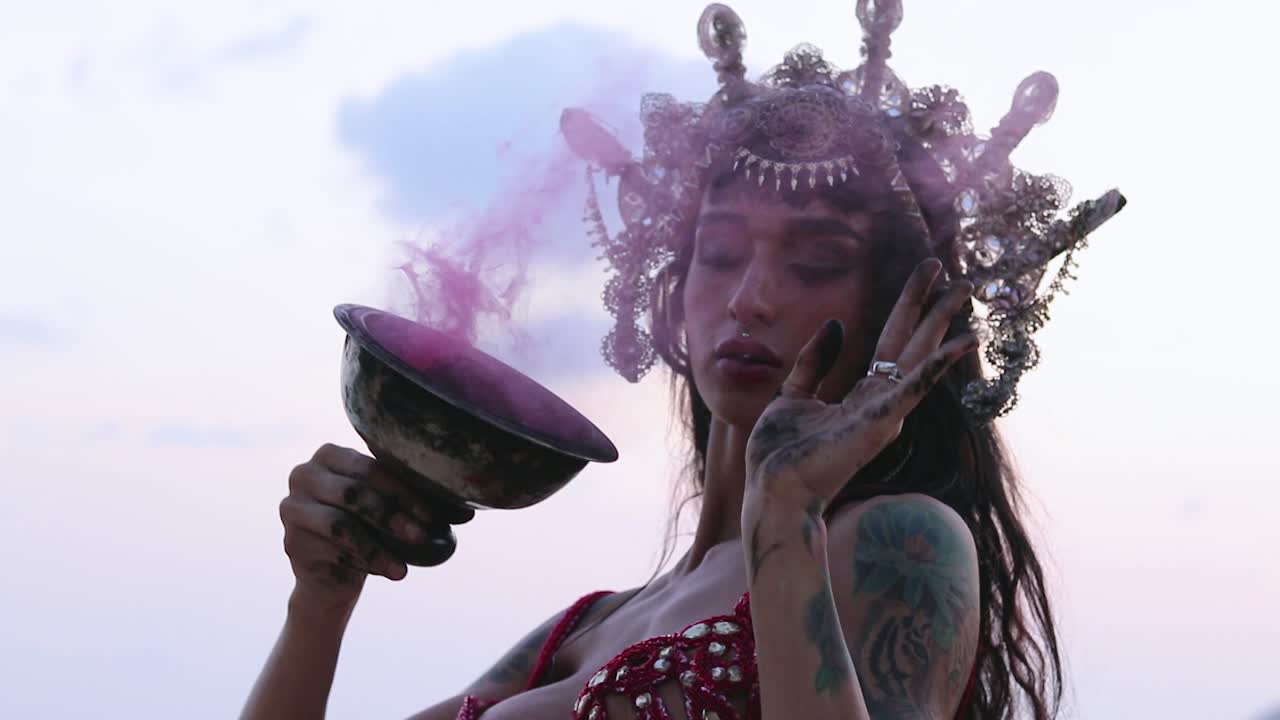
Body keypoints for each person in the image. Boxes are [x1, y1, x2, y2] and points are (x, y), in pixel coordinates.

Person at [241, 2, 1124, 719]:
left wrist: (788, 521)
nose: (751, 298)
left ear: (903, 311)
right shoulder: (587, 626)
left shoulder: (904, 546)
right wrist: (321, 600)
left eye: (815, 261)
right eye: (721, 252)